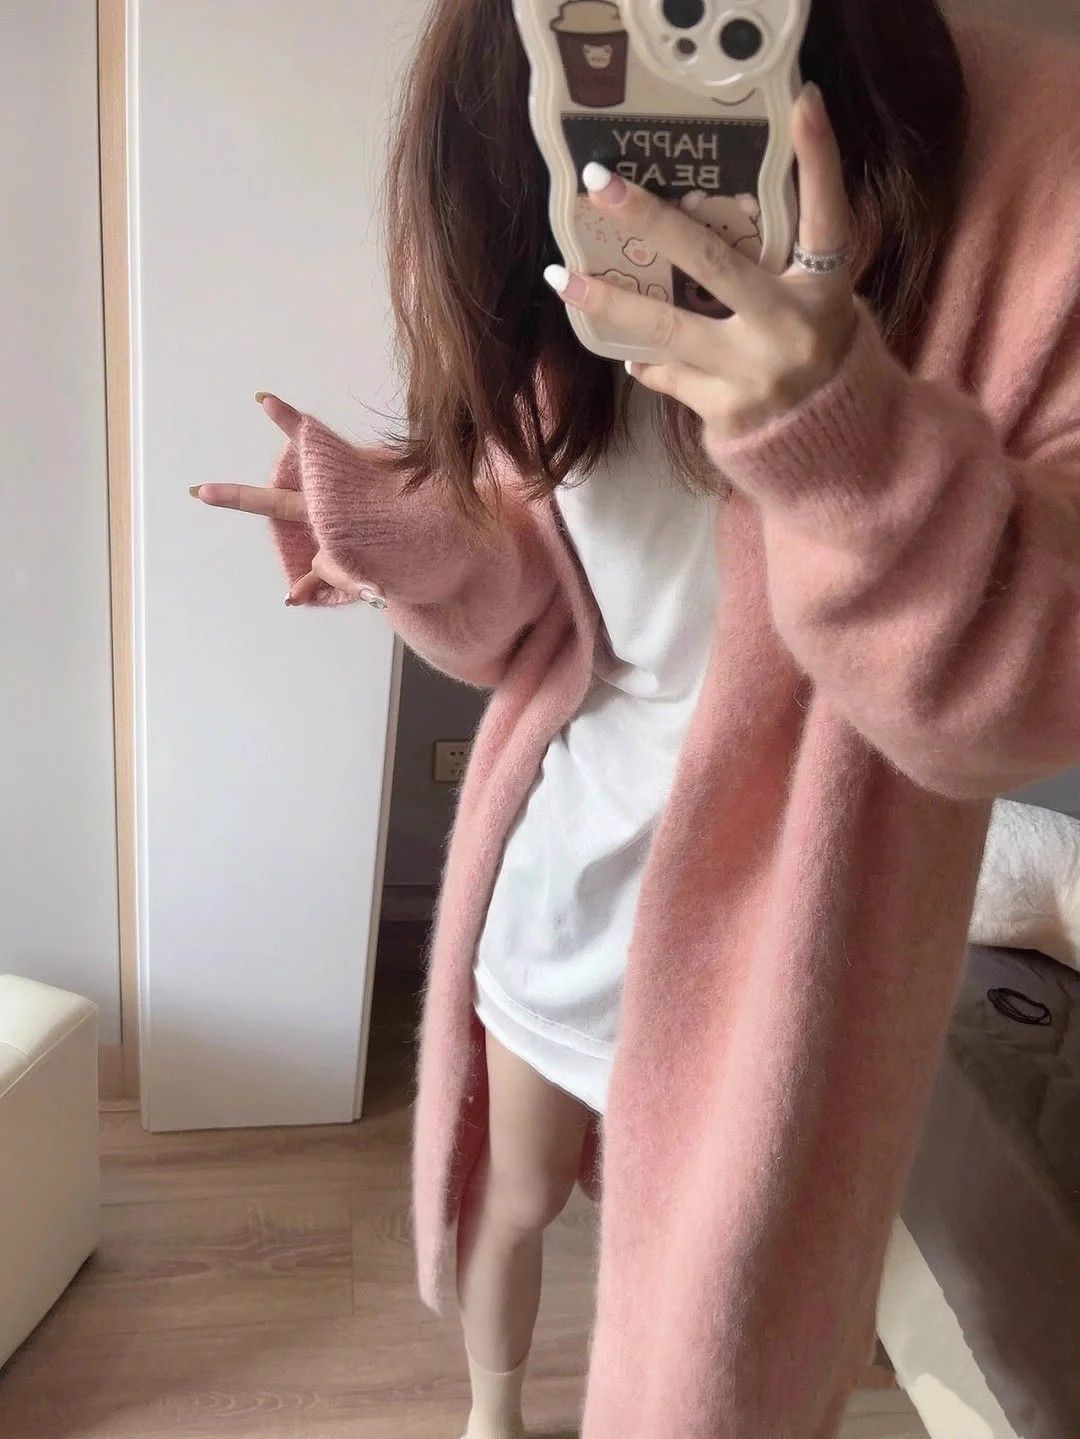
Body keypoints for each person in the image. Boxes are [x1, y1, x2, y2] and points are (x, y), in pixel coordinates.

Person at [192, 2, 1080, 1435]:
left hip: (787, 937)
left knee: (716, 1299)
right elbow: (522, 605)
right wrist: (393, 531)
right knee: (517, 1196)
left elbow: (1025, 678)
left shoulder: (1024, 180)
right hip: (571, 879)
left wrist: (843, 429)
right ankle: (491, 1413)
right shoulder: (560, 335)